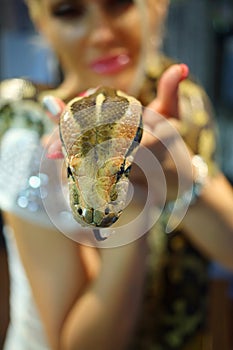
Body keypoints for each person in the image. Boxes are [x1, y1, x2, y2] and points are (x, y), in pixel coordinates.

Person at [0, 1, 233, 350]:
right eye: (69, 11)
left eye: (120, 2)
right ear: (42, 23)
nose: (103, 34)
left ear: (158, 7)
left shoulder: (185, 102)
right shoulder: (27, 132)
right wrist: (135, 212)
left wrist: (184, 181)